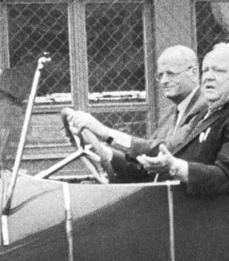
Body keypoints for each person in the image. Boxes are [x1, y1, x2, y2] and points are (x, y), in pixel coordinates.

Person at [136, 42, 229, 195]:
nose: (208, 77)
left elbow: (227, 176)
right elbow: (176, 152)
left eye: (218, 71)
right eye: (205, 70)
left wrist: (175, 167)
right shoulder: (211, 109)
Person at [65, 45, 203, 179]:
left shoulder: (204, 109)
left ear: (194, 72)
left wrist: (105, 132)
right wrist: (101, 150)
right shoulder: (171, 113)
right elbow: (145, 164)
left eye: (171, 74)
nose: (164, 81)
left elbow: (160, 149)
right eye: (160, 75)